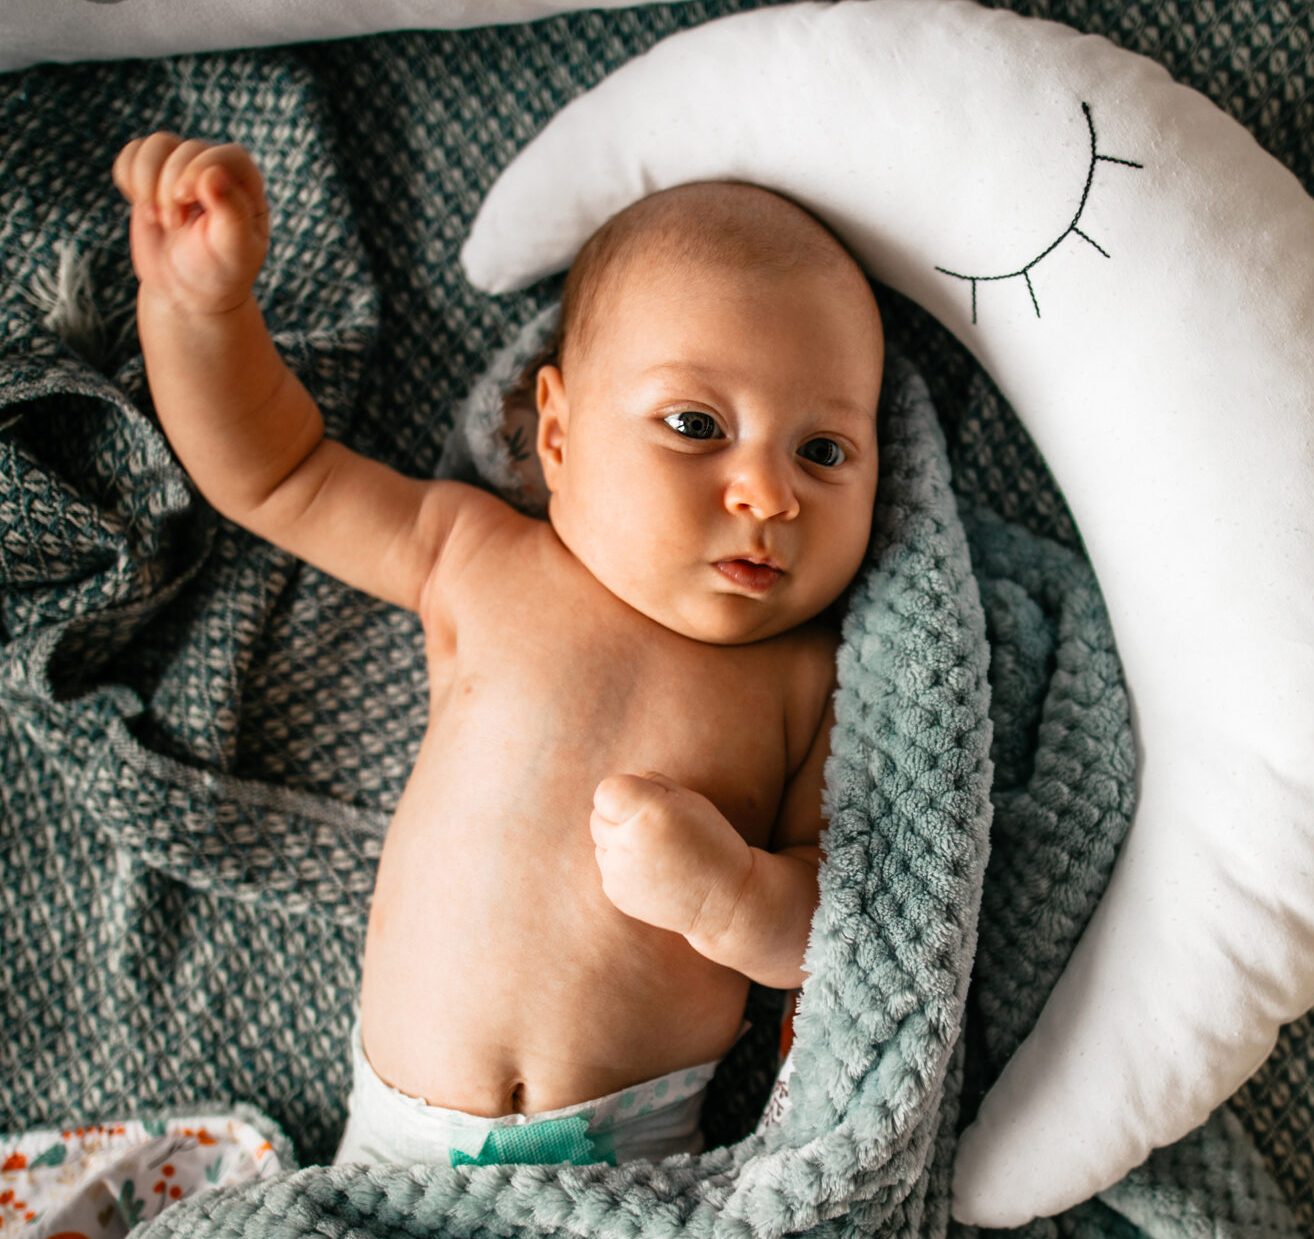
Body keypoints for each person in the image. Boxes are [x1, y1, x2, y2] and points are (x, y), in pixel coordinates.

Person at [113, 134, 884, 1168]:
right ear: (557, 436)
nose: (768, 493)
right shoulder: (477, 557)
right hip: (392, 1159)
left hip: (637, 1174)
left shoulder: (806, 679)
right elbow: (275, 474)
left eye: (824, 450)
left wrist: (729, 894)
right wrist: (198, 312)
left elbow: (830, 936)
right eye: (698, 424)